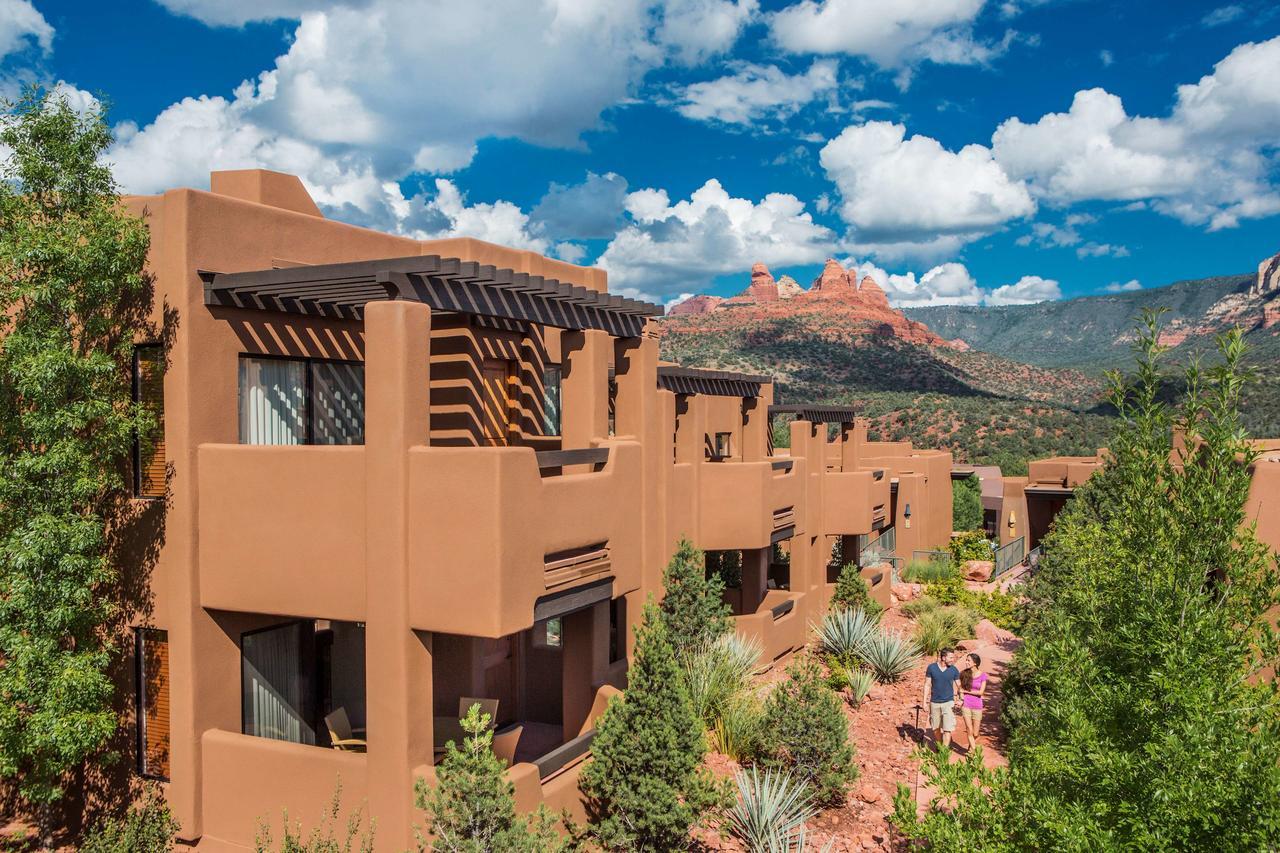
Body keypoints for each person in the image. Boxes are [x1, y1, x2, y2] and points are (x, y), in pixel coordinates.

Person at [923, 648, 961, 751]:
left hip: (949, 703)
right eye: (951, 657)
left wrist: (960, 699)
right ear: (943, 658)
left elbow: (959, 686)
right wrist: (924, 703)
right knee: (935, 729)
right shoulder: (931, 668)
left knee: (947, 730)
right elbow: (927, 685)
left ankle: (943, 752)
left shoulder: (954, 670)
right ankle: (939, 744)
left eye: (953, 657)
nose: (953, 659)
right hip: (934, 702)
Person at [958, 653, 988, 749]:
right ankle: (973, 753)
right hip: (966, 704)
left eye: (968, 660)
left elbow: (980, 692)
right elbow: (960, 689)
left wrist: (966, 691)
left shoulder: (983, 675)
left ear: (975, 663)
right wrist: (961, 698)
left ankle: (971, 746)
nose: (966, 662)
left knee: (975, 733)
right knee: (969, 729)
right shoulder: (963, 674)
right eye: (966, 660)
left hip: (977, 706)